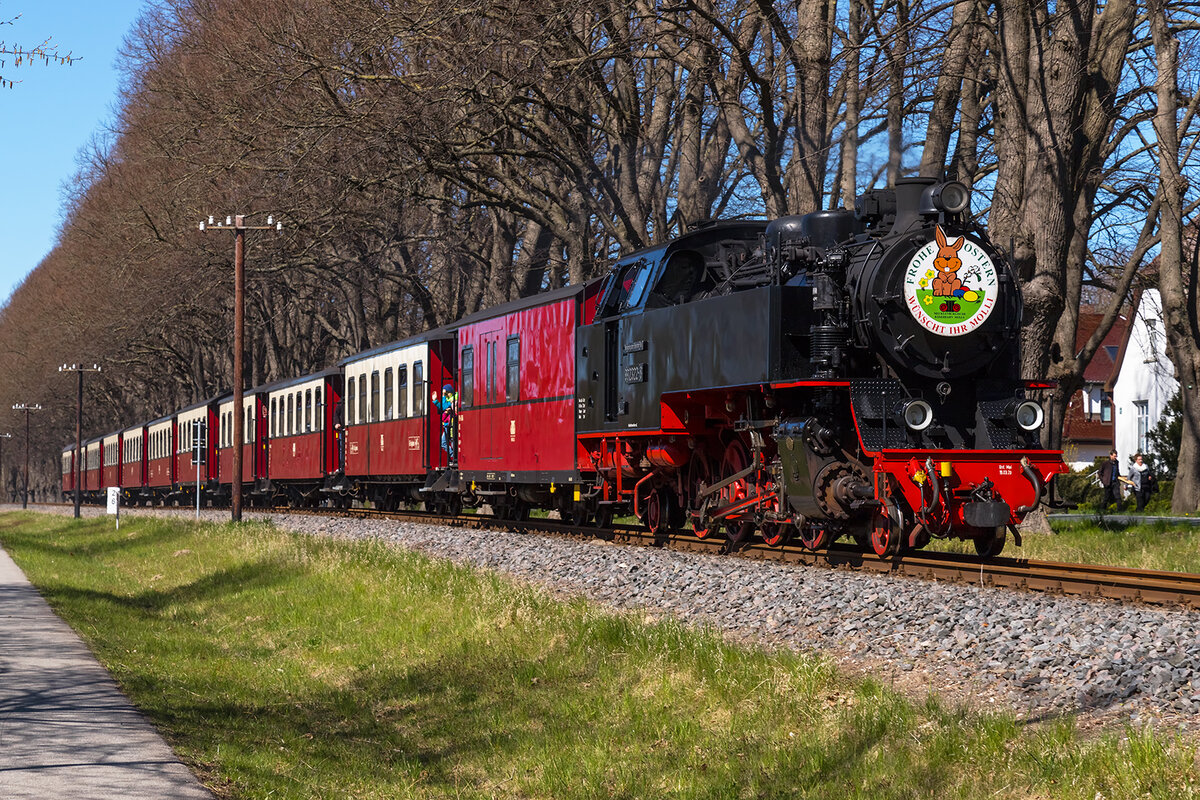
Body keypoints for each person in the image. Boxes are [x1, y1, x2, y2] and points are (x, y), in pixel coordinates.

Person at [436, 383, 457, 463]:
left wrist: (443, 396)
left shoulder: (453, 399)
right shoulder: (449, 399)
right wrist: (436, 401)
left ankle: (454, 456)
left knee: (451, 441)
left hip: (451, 424)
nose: (446, 395)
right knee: (444, 443)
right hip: (447, 425)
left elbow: (444, 406)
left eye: (446, 393)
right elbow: (443, 407)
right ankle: (453, 455)